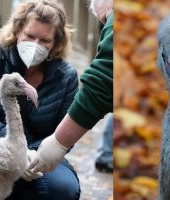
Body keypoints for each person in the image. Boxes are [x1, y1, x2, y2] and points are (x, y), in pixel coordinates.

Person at [0, 0, 80, 199]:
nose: (35, 45)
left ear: (56, 43)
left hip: (37, 155)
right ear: (18, 30)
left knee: (63, 187)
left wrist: (34, 154)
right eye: (30, 36)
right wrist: (16, 148)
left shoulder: (67, 77)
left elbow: (66, 129)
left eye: (45, 40)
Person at [28, 0, 113, 175]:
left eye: (107, 19)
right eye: (30, 36)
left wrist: (58, 143)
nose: (109, 29)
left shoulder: (65, 75)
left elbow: (104, 79)